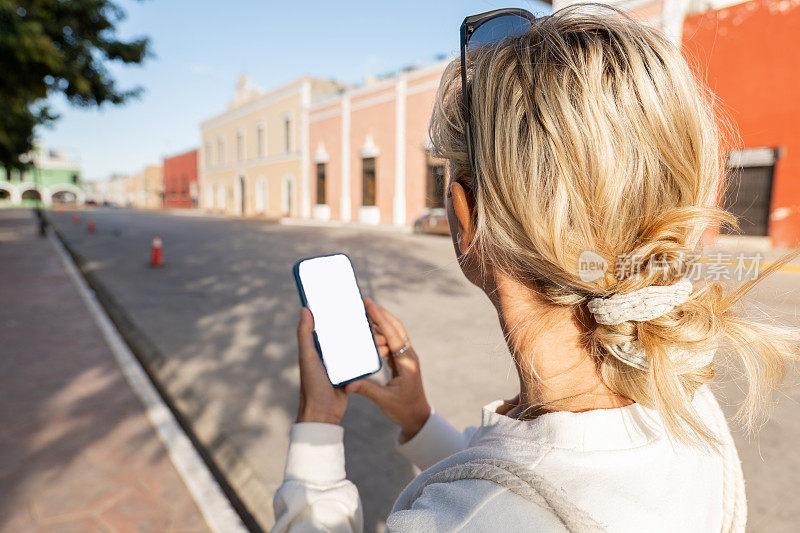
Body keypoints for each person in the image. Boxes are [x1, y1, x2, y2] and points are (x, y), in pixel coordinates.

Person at [272, 6, 798, 532]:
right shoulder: (684, 399)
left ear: (464, 216)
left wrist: (318, 424)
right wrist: (419, 420)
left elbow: (501, 507)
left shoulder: (461, 522)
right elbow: (524, 484)